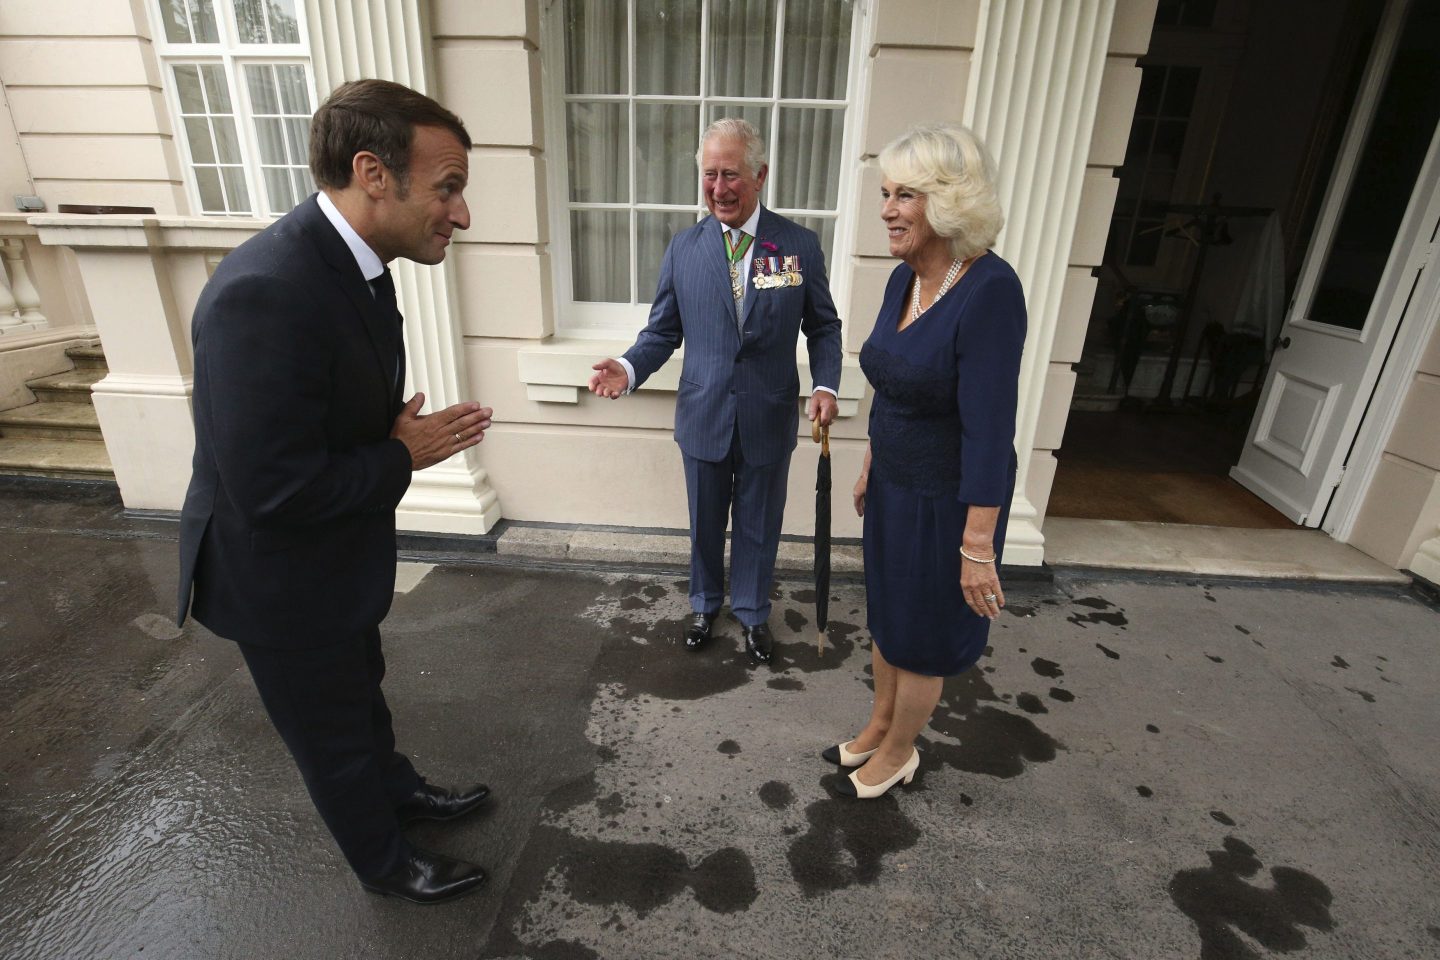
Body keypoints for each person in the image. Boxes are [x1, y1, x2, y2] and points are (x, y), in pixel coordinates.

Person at [176, 80, 495, 903]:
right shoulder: (265, 290)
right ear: (372, 173)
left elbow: (314, 408)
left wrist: (385, 427)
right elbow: (271, 489)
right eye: (448, 187)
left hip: (332, 555)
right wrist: (404, 453)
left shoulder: (355, 264)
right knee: (331, 734)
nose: (460, 214)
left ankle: (398, 794)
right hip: (277, 576)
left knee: (360, 694)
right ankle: (386, 864)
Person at [589, 118, 843, 665]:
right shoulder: (685, 248)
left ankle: (752, 612)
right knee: (705, 521)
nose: (719, 188)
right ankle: (704, 604)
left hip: (769, 412)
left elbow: (822, 326)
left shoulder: (796, 246)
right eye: (709, 175)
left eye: (731, 174)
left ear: (760, 176)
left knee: (759, 522)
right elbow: (661, 330)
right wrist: (629, 370)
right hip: (704, 412)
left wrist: (825, 384)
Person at [827, 123, 1026, 798]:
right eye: (885, 192)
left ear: (949, 203)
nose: (885, 208)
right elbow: (891, 386)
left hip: (949, 500)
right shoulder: (903, 281)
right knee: (889, 615)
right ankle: (880, 723)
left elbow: (990, 430)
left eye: (904, 194)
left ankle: (903, 750)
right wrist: (869, 462)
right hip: (895, 485)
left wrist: (977, 544)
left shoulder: (990, 291)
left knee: (926, 633)